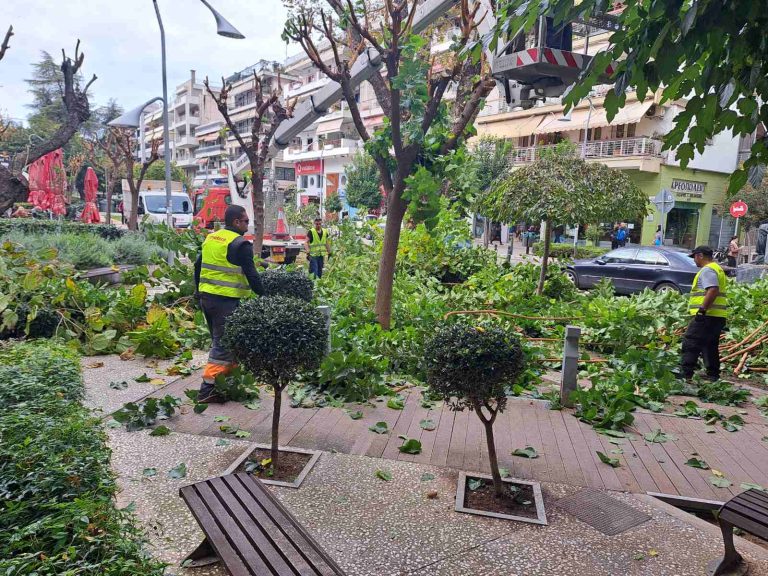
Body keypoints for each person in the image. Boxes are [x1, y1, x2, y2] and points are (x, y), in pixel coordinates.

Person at [193, 205, 265, 403]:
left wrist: (197, 292)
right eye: (246, 222)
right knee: (222, 344)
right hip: (224, 301)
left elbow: (197, 266)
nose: (247, 226)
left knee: (228, 341)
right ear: (236, 222)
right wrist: (266, 295)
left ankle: (226, 384)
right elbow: (252, 275)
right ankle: (206, 390)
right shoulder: (240, 244)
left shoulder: (212, 238)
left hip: (207, 299)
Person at [679, 246, 728, 382]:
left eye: (694, 257)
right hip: (717, 315)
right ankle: (712, 375)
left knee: (691, 341)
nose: (694, 260)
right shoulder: (717, 269)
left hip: (707, 315)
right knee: (709, 345)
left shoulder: (707, 270)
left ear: (700, 255)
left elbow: (712, 290)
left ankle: (686, 373)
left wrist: (702, 310)